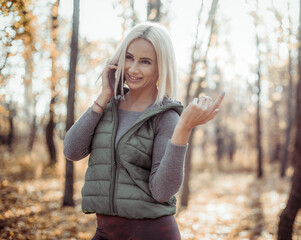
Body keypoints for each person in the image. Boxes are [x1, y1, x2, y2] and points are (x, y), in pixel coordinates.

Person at [63, 21, 224, 240]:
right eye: (128, 57)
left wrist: (183, 127)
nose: (133, 68)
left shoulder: (166, 117)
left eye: (145, 62)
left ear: (161, 68)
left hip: (153, 234)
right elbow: (72, 151)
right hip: (107, 232)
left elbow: (162, 191)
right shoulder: (107, 107)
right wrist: (104, 96)